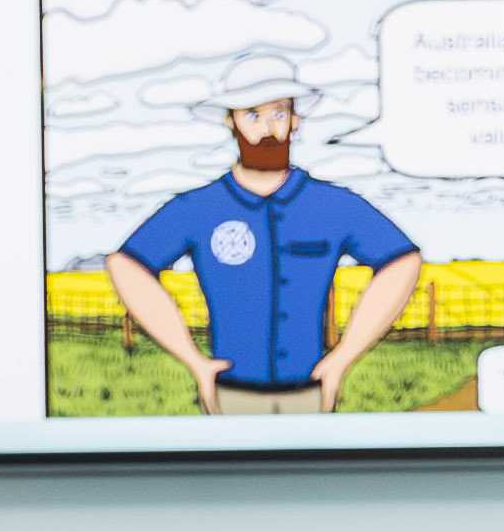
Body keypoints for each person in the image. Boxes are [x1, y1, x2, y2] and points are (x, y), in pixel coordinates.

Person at [103, 52, 430, 416]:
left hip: (311, 393)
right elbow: (125, 265)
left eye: (279, 113)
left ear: (295, 120)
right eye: (252, 115)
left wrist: (343, 358)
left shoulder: (332, 204)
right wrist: (193, 360)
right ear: (230, 121)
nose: (268, 128)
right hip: (230, 394)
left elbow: (402, 261)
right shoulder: (198, 207)